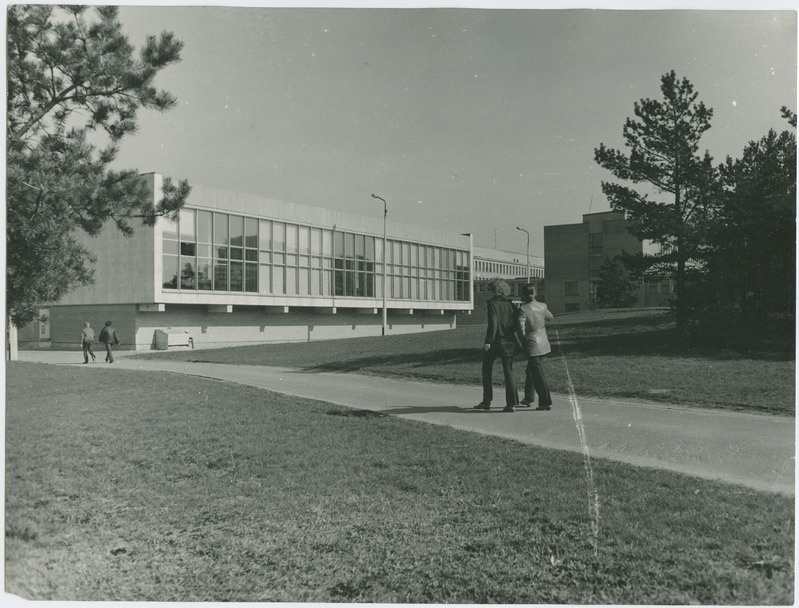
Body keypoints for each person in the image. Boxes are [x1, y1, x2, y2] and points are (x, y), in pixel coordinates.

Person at [475, 278, 521, 412]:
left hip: (496, 341)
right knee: (509, 370)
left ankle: (486, 401)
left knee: (487, 369)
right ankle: (511, 403)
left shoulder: (492, 304)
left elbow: (493, 324)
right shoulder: (510, 304)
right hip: (509, 340)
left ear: (495, 290)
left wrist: (488, 341)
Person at [517, 283, 554, 411]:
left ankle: (544, 402)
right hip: (543, 343)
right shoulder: (543, 306)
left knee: (538, 374)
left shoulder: (523, 309)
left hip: (532, 344)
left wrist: (522, 341)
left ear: (523, 294)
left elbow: (521, 329)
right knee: (531, 371)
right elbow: (550, 317)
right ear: (535, 293)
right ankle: (528, 397)